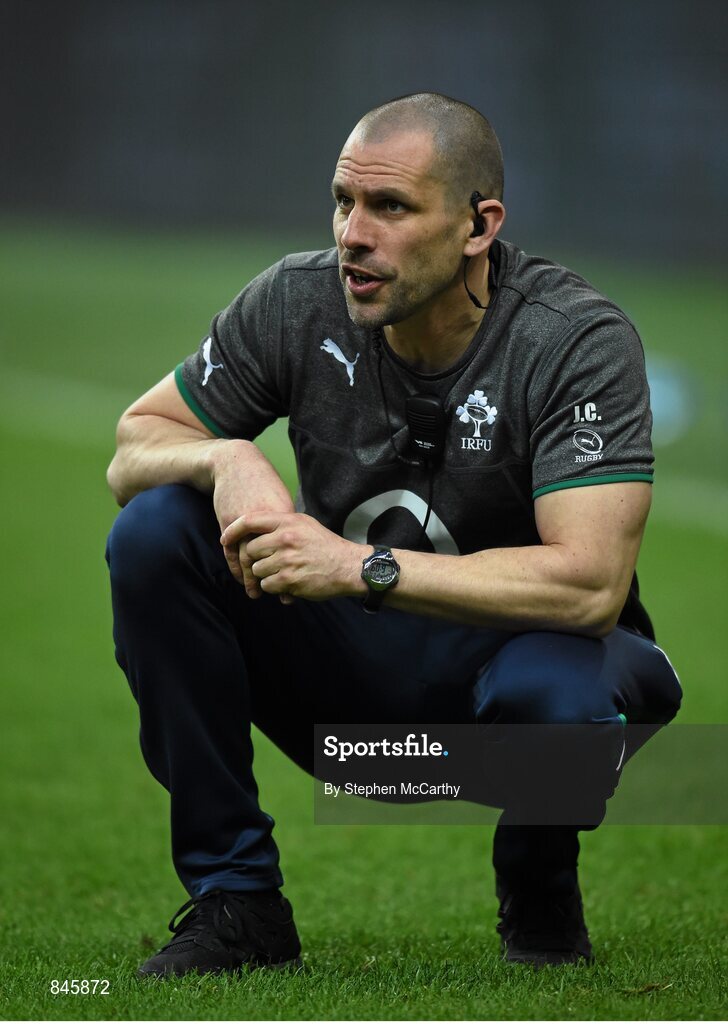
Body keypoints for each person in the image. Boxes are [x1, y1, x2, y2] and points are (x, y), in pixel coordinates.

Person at [106, 92, 682, 976]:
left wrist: (357, 564)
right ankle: (237, 902)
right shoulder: (297, 301)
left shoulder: (575, 340)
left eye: (391, 208)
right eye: (343, 200)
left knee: (558, 696)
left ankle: (539, 883)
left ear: (478, 225)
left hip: (514, 692)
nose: (352, 233)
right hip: (356, 716)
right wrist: (224, 459)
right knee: (155, 530)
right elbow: (134, 445)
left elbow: (590, 584)